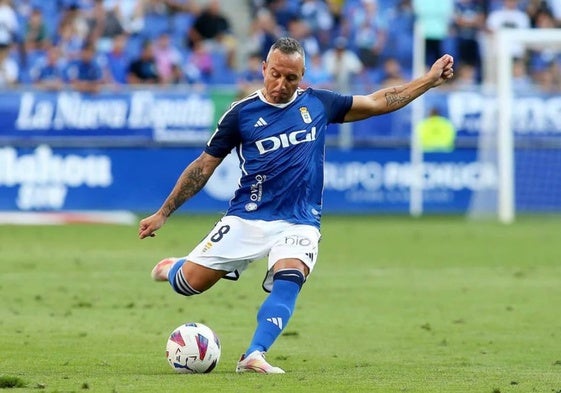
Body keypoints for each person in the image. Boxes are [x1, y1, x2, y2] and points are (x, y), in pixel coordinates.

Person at [138, 37, 454, 374]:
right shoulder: (241, 115)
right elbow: (203, 167)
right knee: (190, 284)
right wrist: (163, 213)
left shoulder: (318, 103)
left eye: (291, 78)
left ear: (302, 76)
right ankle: (173, 267)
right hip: (248, 217)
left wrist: (429, 80)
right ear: (264, 69)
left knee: (291, 276)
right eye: (275, 74)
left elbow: (378, 101)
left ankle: (254, 354)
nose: (281, 85)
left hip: (300, 220)